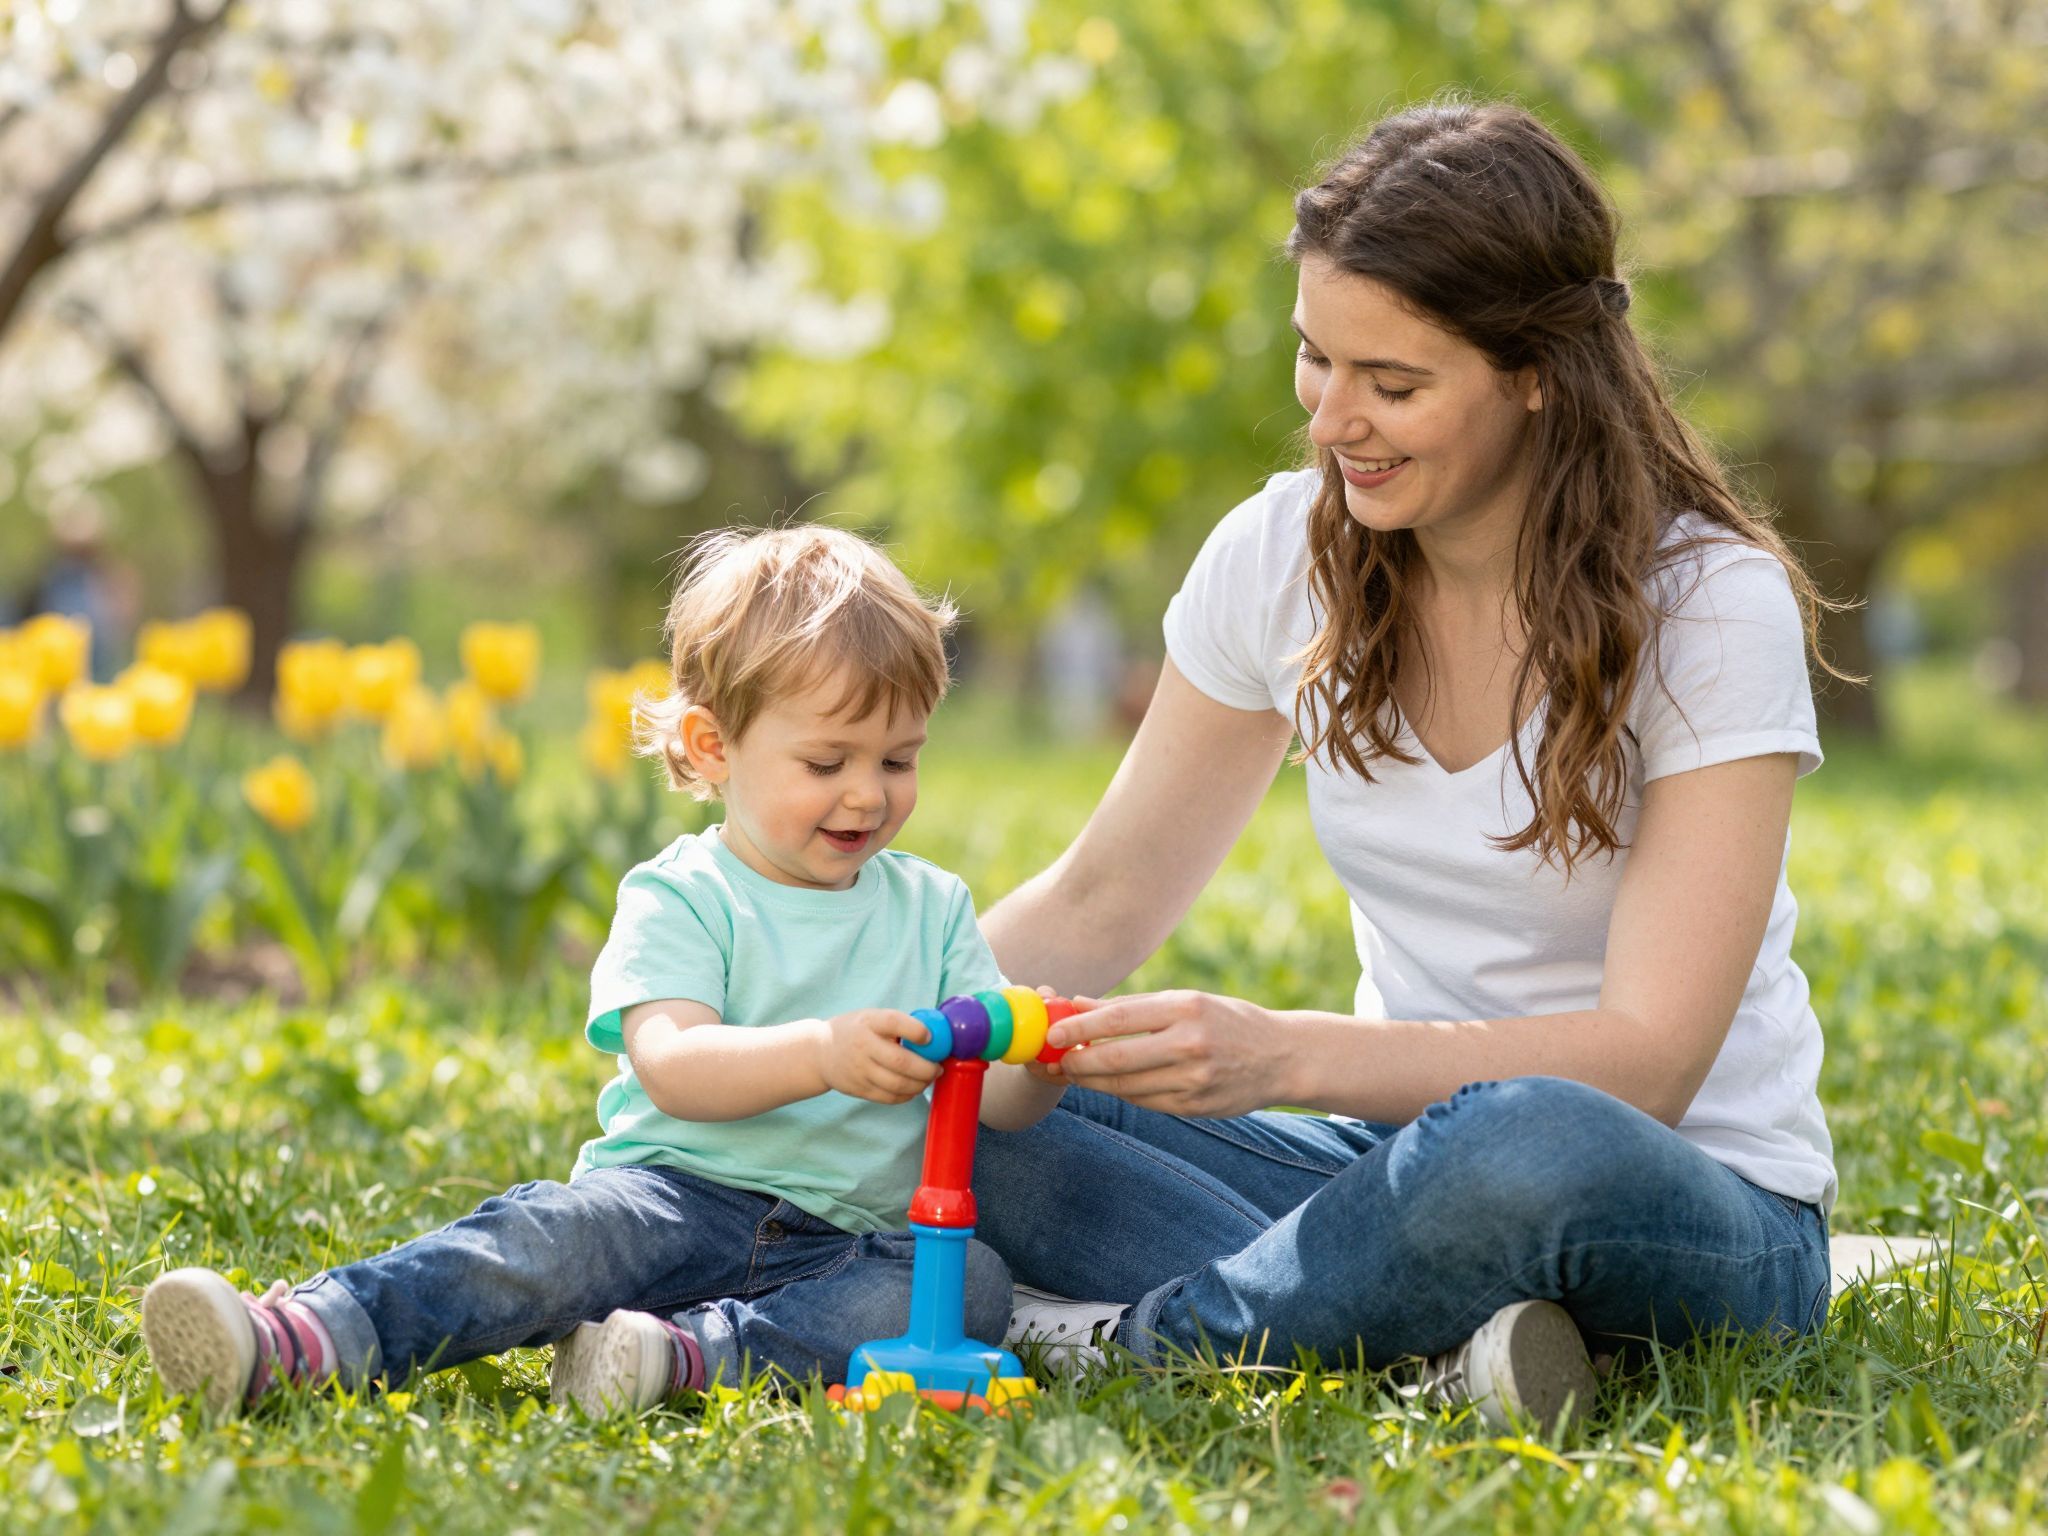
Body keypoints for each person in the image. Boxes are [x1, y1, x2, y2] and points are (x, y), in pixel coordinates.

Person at [976, 98, 1840, 1430]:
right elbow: (1096, 904)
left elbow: (1649, 1062)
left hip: (1678, 1193)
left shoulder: (1709, 606)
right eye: (1316, 360)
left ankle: (1133, 1345)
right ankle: (1431, 1339)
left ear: (1535, 371)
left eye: (1395, 385)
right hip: (1375, 1175)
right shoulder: (1278, 557)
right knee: (982, 1116)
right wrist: (857, 1019)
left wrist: (1282, 1057)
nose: (1334, 423)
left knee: (1518, 1144)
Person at [141, 526, 1056, 1416]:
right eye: (827, 761)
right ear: (712, 747)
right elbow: (675, 1064)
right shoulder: (685, 894)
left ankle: (685, 1357)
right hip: (667, 1201)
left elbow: (993, 1100)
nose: (868, 792)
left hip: (845, 1244)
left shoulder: (931, 905)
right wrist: (821, 1051)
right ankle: (309, 1335)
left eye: (899, 760)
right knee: (544, 1243)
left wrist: (1037, 1065)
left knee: (968, 1287)